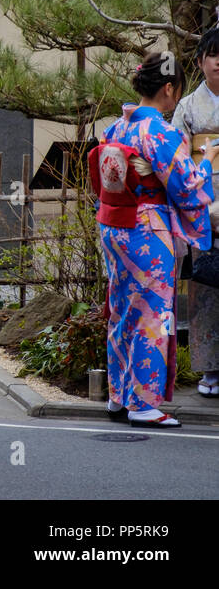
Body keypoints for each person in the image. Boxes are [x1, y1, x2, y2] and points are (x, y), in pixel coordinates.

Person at [94, 52, 216, 427]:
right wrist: (207, 161)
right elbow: (186, 185)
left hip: (114, 225)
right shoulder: (158, 132)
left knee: (122, 309)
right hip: (146, 231)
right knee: (152, 313)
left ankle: (119, 394)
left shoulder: (118, 128)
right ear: (169, 89)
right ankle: (143, 403)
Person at [172, 28, 219, 399]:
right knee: (205, 289)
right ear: (201, 60)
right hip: (203, 209)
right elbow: (176, 163)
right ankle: (210, 370)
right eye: (213, 55)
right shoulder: (187, 107)